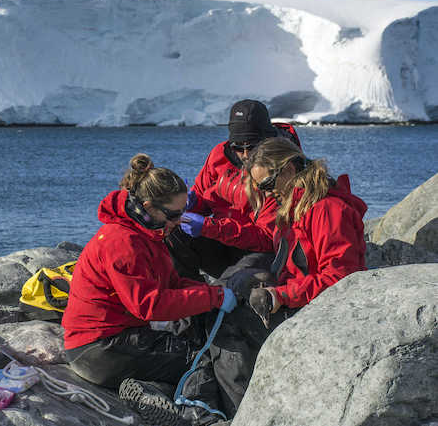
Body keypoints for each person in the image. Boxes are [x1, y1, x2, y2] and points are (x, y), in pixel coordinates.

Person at [62, 153, 237, 426]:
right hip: (99, 349)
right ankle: (199, 417)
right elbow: (150, 305)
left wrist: (212, 290)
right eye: (174, 214)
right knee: (200, 358)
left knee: (190, 347)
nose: (180, 221)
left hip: (111, 341)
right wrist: (212, 297)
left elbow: (171, 284)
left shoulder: (146, 232)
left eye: (183, 211)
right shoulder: (123, 242)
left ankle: (142, 389)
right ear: (149, 207)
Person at [205, 137, 368, 417]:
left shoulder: (328, 210)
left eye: (267, 185)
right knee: (219, 306)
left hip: (325, 317)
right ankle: (211, 404)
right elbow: (299, 269)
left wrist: (281, 295)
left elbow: (343, 277)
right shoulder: (296, 209)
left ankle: (242, 413)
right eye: (259, 188)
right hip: (305, 306)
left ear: (289, 171)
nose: (266, 194)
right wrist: (266, 284)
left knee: (226, 325)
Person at [167, 99, 300, 280]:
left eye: (252, 146)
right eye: (238, 147)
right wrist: (188, 204)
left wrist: (208, 227)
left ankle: (216, 298)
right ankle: (190, 293)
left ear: (266, 139)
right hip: (223, 240)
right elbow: (201, 195)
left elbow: (267, 239)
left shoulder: (281, 167)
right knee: (171, 233)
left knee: (233, 280)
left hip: (261, 250)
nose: (245, 155)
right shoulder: (218, 155)